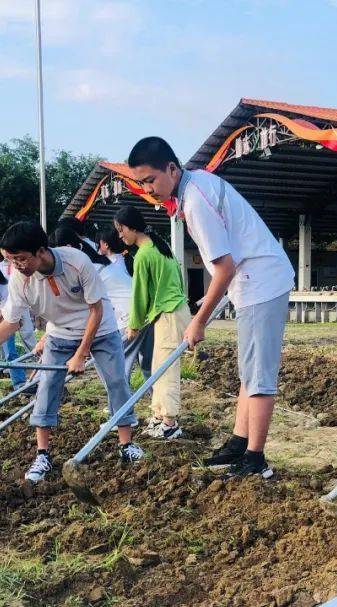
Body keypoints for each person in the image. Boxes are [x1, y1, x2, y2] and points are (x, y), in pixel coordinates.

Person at [128, 136, 295, 479]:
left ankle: (254, 460)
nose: (148, 189)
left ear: (171, 169)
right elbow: (225, 265)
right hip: (251, 281)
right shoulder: (197, 184)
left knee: (259, 375)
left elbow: (225, 267)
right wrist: (213, 298)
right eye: (141, 183)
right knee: (247, 372)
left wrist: (199, 321)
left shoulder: (195, 200)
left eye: (150, 180)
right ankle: (239, 442)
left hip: (261, 281)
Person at [0, 222, 144, 484]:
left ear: (41, 251)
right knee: (45, 386)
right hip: (59, 333)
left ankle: (126, 445)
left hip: (101, 329)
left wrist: (81, 353)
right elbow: (10, 322)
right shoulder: (20, 281)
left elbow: (96, 310)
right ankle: (43, 454)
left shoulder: (77, 262)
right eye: (11, 260)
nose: (18, 265)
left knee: (116, 381)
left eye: (21, 258)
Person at [114, 205, 191, 440]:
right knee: (158, 367)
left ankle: (170, 422)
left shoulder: (144, 254)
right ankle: (158, 416)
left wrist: (133, 326)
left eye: (121, 230)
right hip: (171, 313)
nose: (120, 235)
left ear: (131, 227)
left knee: (165, 371)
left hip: (169, 314)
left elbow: (140, 296)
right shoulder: (160, 247)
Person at [99, 227, 152, 375]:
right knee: (148, 362)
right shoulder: (128, 259)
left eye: (100, 244)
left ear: (106, 245)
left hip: (127, 320)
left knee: (119, 364)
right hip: (146, 314)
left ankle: (123, 397)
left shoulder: (104, 266)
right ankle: (155, 395)